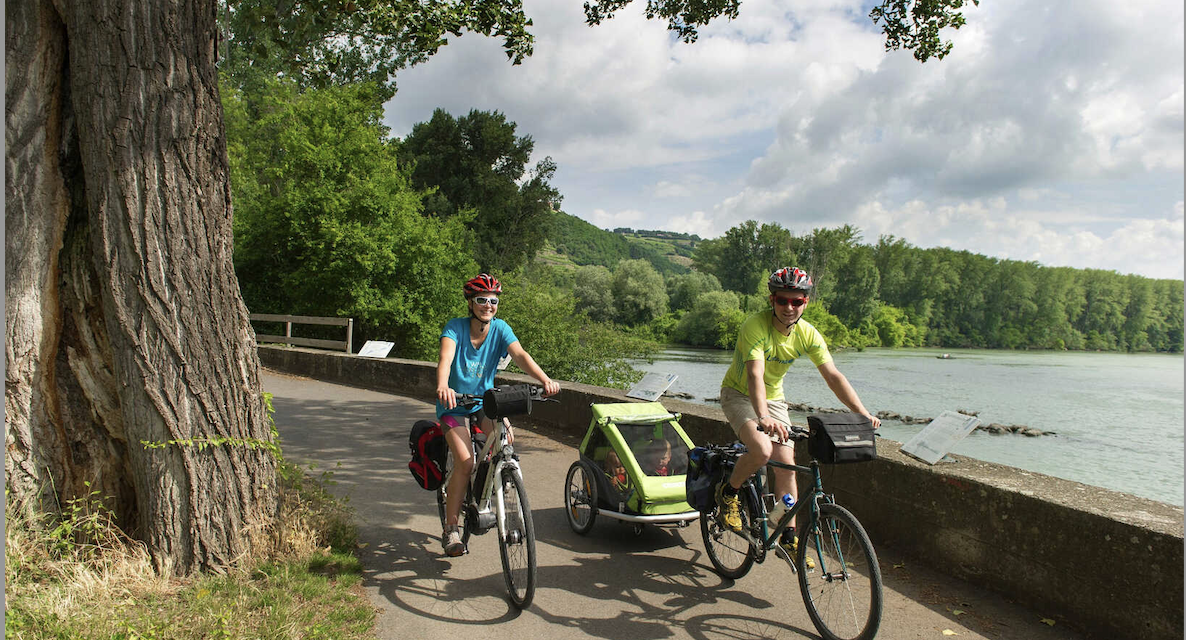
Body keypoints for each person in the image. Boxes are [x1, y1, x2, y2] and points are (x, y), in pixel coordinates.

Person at [715, 267, 880, 560]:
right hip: (739, 394)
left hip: (774, 398)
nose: (789, 308)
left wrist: (863, 413)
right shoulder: (755, 326)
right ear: (772, 300)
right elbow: (755, 374)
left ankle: (788, 535)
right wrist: (763, 417)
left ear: (806, 302)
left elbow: (833, 376)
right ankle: (729, 493)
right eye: (782, 301)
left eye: (797, 302)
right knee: (763, 449)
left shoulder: (807, 333)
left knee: (786, 461)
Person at [435, 273, 560, 557]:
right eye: (482, 300)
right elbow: (446, 358)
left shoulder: (501, 328)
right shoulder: (455, 328)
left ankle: (492, 494)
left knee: (505, 443)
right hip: (454, 404)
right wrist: (443, 385)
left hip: (484, 402)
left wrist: (544, 379)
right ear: (470, 302)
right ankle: (451, 529)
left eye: (493, 301)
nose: (488, 305)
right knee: (466, 462)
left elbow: (520, 355)